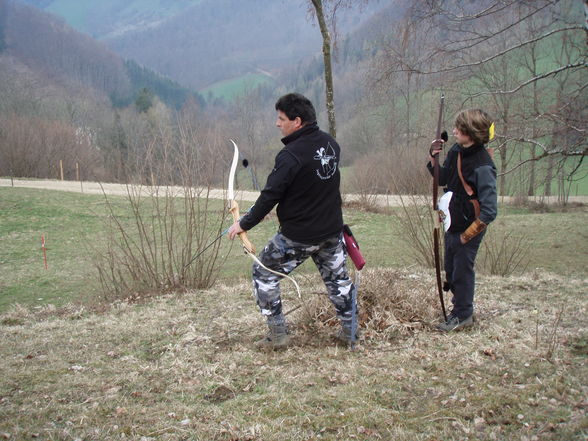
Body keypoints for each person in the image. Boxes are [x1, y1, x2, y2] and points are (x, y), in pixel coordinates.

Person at [228, 93, 358, 349]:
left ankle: (277, 335)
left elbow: (270, 196)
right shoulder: (331, 144)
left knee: (263, 273)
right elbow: (312, 184)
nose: (277, 123)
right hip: (331, 230)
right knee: (339, 281)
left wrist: (244, 223)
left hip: (298, 236)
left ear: (297, 121)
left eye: (281, 118)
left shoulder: (290, 155)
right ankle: (351, 332)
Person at [427, 109, 497, 332]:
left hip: (471, 226)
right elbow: (444, 178)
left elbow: (489, 210)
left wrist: (467, 236)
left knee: (462, 269)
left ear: (472, 133)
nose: (454, 130)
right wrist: (433, 156)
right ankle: (458, 310)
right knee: (451, 267)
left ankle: (463, 315)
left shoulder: (483, 164)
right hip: (453, 220)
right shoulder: (457, 150)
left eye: (460, 128)